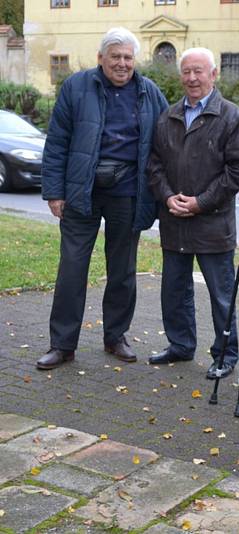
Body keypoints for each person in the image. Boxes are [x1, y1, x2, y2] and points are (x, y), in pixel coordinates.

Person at [37, 27, 168, 370]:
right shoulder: (76, 87)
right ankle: (62, 345)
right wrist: (54, 191)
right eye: (115, 57)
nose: (122, 64)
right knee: (72, 268)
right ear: (101, 58)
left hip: (128, 192)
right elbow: (57, 142)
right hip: (82, 191)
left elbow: (167, 144)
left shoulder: (149, 92)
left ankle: (116, 337)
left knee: (123, 270)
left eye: (128, 57)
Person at [147, 47, 239, 380]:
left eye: (199, 71)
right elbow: (154, 165)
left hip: (212, 222)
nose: (192, 78)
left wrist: (201, 202)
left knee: (221, 295)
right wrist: (166, 197)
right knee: (174, 291)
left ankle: (225, 354)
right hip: (174, 221)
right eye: (187, 72)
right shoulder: (168, 116)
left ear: (214, 74)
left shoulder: (232, 117)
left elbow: (238, 171)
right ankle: (180, 345)